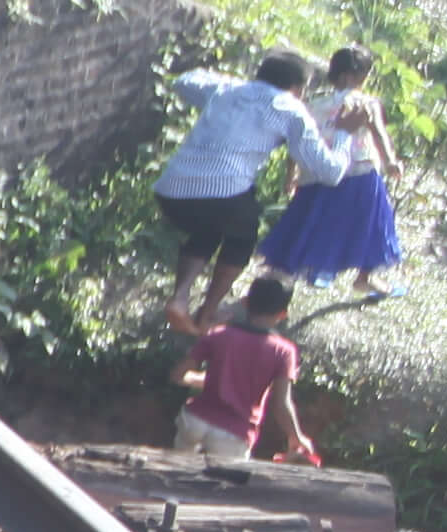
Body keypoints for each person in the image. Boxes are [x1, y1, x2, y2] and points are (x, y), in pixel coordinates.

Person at [151, 44, 353, 332]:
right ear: (297, 87)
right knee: (241, 239)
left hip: (171, 191)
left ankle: (180, 299)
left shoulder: (226, 88)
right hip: (223, 194)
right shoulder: (291, 109)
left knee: (208, 229)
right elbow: (330, 172)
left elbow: (185, 81)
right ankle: (207, 313)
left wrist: (228, 84)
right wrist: (345, 133)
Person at [258, 46, 407, 299]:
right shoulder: (365, 103)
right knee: (372, 227)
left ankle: (280, 275)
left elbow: (298, 142)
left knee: (307, 223)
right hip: (360, 172)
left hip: (318, 173)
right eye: (365, 74)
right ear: (351, 76)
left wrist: (291, 174)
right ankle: (365, 277)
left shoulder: (312, 106)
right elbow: (378, 133)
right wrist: (391, 161)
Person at [178, 275, 322, 469]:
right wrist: (296, 437)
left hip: (193, 421)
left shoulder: (218, 334)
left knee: (174, 478)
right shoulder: (283, 351)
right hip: (233, 433)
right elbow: (281, 404)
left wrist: (210, 380)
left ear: (245, 303)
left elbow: (178, 375)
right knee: (219, 491)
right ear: (282, 314)